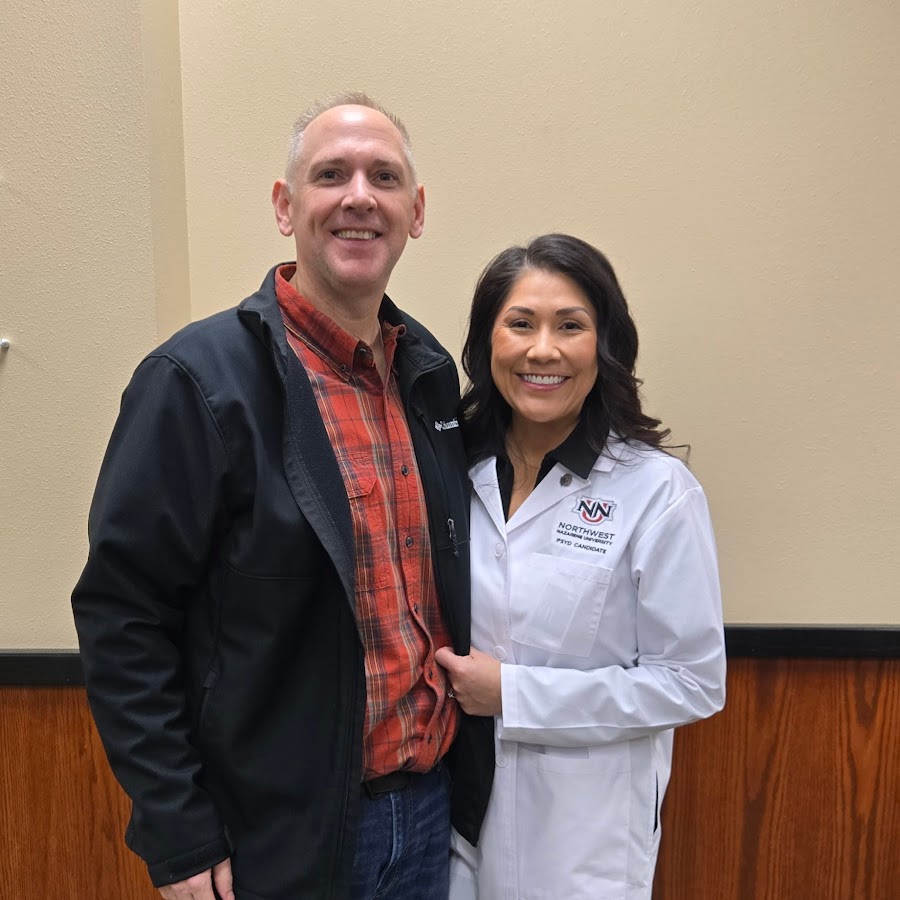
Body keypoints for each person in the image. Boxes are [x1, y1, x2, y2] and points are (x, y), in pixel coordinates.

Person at [72, 92, 490, 900]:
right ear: (284, 206)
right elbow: (123, 618)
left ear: (416, 211)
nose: (359, 196)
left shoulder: (429, 376)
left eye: (384, 177)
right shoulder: (197, 382)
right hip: (275, 839)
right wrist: (178, 832)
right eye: (330, 175)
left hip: (427, 817)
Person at [435, 234, 727, 900]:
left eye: (570, 326)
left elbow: (692, 682)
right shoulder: (449, 472)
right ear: (487, 344)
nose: (543, 350)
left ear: (605, 345)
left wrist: (514, 694)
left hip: (584, 839)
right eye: (520, 323)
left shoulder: (656, 492)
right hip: (453, 823)